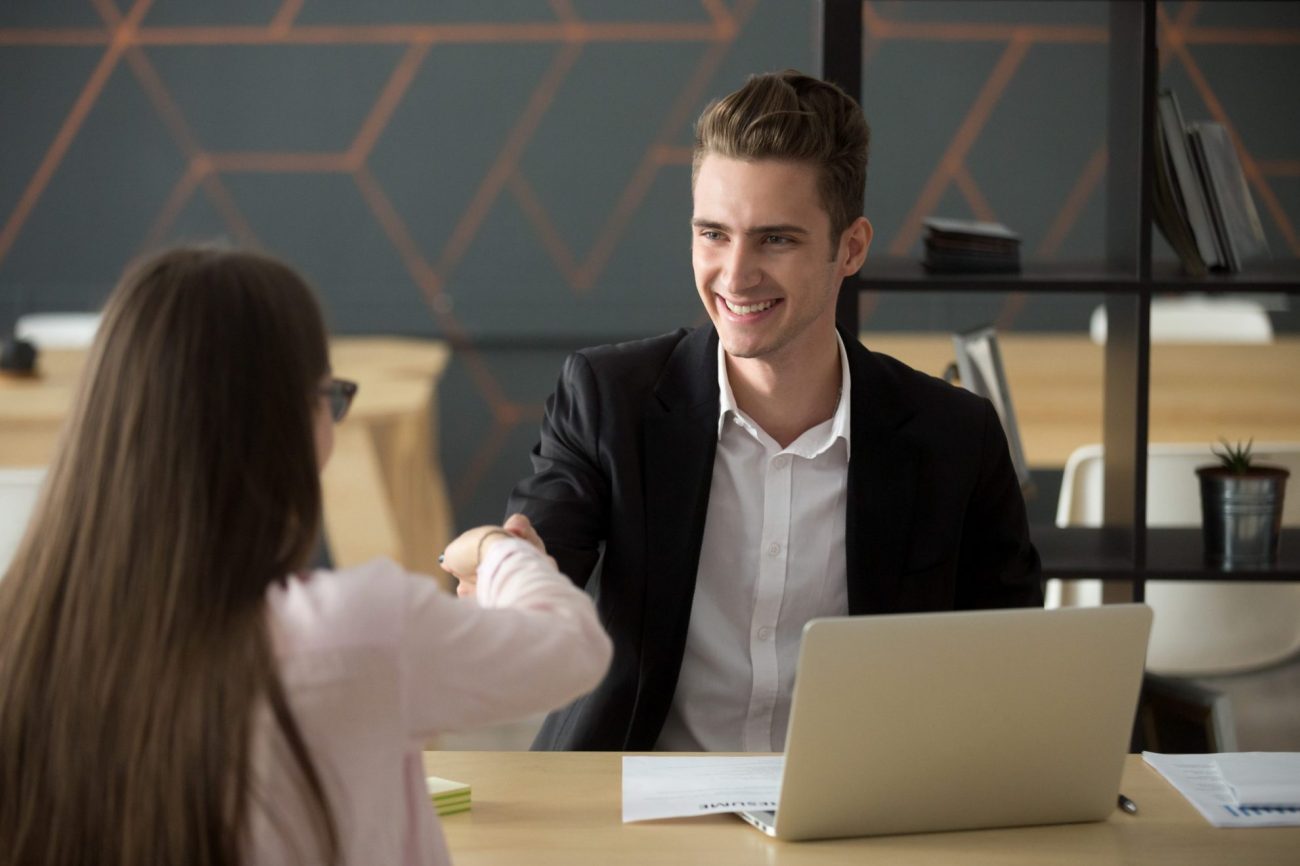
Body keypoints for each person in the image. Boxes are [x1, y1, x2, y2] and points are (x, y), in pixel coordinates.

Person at [0, 247, 611, 866]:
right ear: (289, 422)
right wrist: (497, 549)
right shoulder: (361, 629)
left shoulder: (23, 639)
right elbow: (572, 647)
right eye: (329, 396)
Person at [507, 70, 1043, 753]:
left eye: (776, 240)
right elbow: (535, 558)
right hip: (641, 796)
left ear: (850, 248)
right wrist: (503, 562)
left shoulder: (956, 438)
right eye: (713, 234)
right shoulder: (609, 397)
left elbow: (1009, 668)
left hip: (860, 801)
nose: (735, 275)